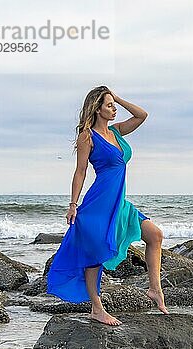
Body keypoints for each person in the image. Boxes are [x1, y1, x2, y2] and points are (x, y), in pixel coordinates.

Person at [46, 85, 169, 326]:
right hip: (99, 202)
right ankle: (96, 308)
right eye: (109, 105)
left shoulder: (117, 131)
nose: (114, 110)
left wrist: (117, 98)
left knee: (155, 235)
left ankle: (155, 289)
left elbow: (142, 115)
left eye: (114, 105)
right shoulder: (87, 136)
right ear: (97, 108)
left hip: (119, 203)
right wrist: (73, 204)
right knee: (94, 255)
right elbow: (80, 171)